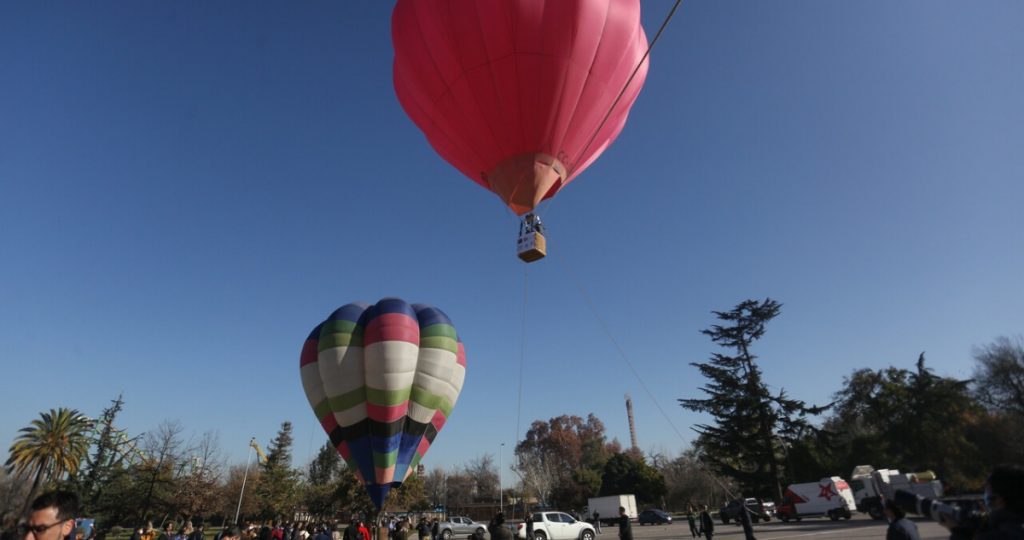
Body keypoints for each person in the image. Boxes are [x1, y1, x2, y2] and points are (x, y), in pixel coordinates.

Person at [948, 464, 1024, 540]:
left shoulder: (997, 535)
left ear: (999, 499)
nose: (986, 494)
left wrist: (958, 534)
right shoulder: (1014, 526)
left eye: (988, 490)